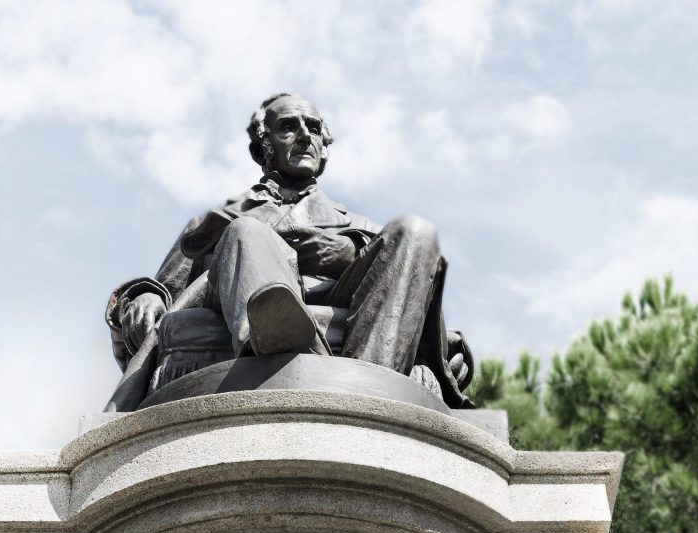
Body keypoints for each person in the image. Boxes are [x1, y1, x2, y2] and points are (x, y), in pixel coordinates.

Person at [106, 92, 473, 410]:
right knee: (246, 231)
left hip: (356, 327)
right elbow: (165, 286)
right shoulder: (222, 219)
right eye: (289, 127)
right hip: (240, 302)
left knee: (416, 231)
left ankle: (369, 391)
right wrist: (142, 297)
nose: (304, 137)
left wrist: (349, 255)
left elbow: (410, 292)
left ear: (325, 144)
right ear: (263, 147)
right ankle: (275, 331)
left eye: (313, 128)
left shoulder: (361, 227)